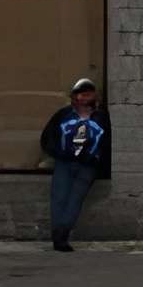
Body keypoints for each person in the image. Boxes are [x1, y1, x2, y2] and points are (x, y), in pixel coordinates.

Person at [40, 75, 110, 250]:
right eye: (81, 94)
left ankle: (61, 234)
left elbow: (106, 142)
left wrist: (98, 162)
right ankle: (58, 236)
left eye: (88, 94)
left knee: (74, 200)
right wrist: (59, 153)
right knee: (59, 198)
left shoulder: (101, 117)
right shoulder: (64, 115)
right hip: (65, 163)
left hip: (87, 166)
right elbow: (47, 138)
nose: (84, 98)